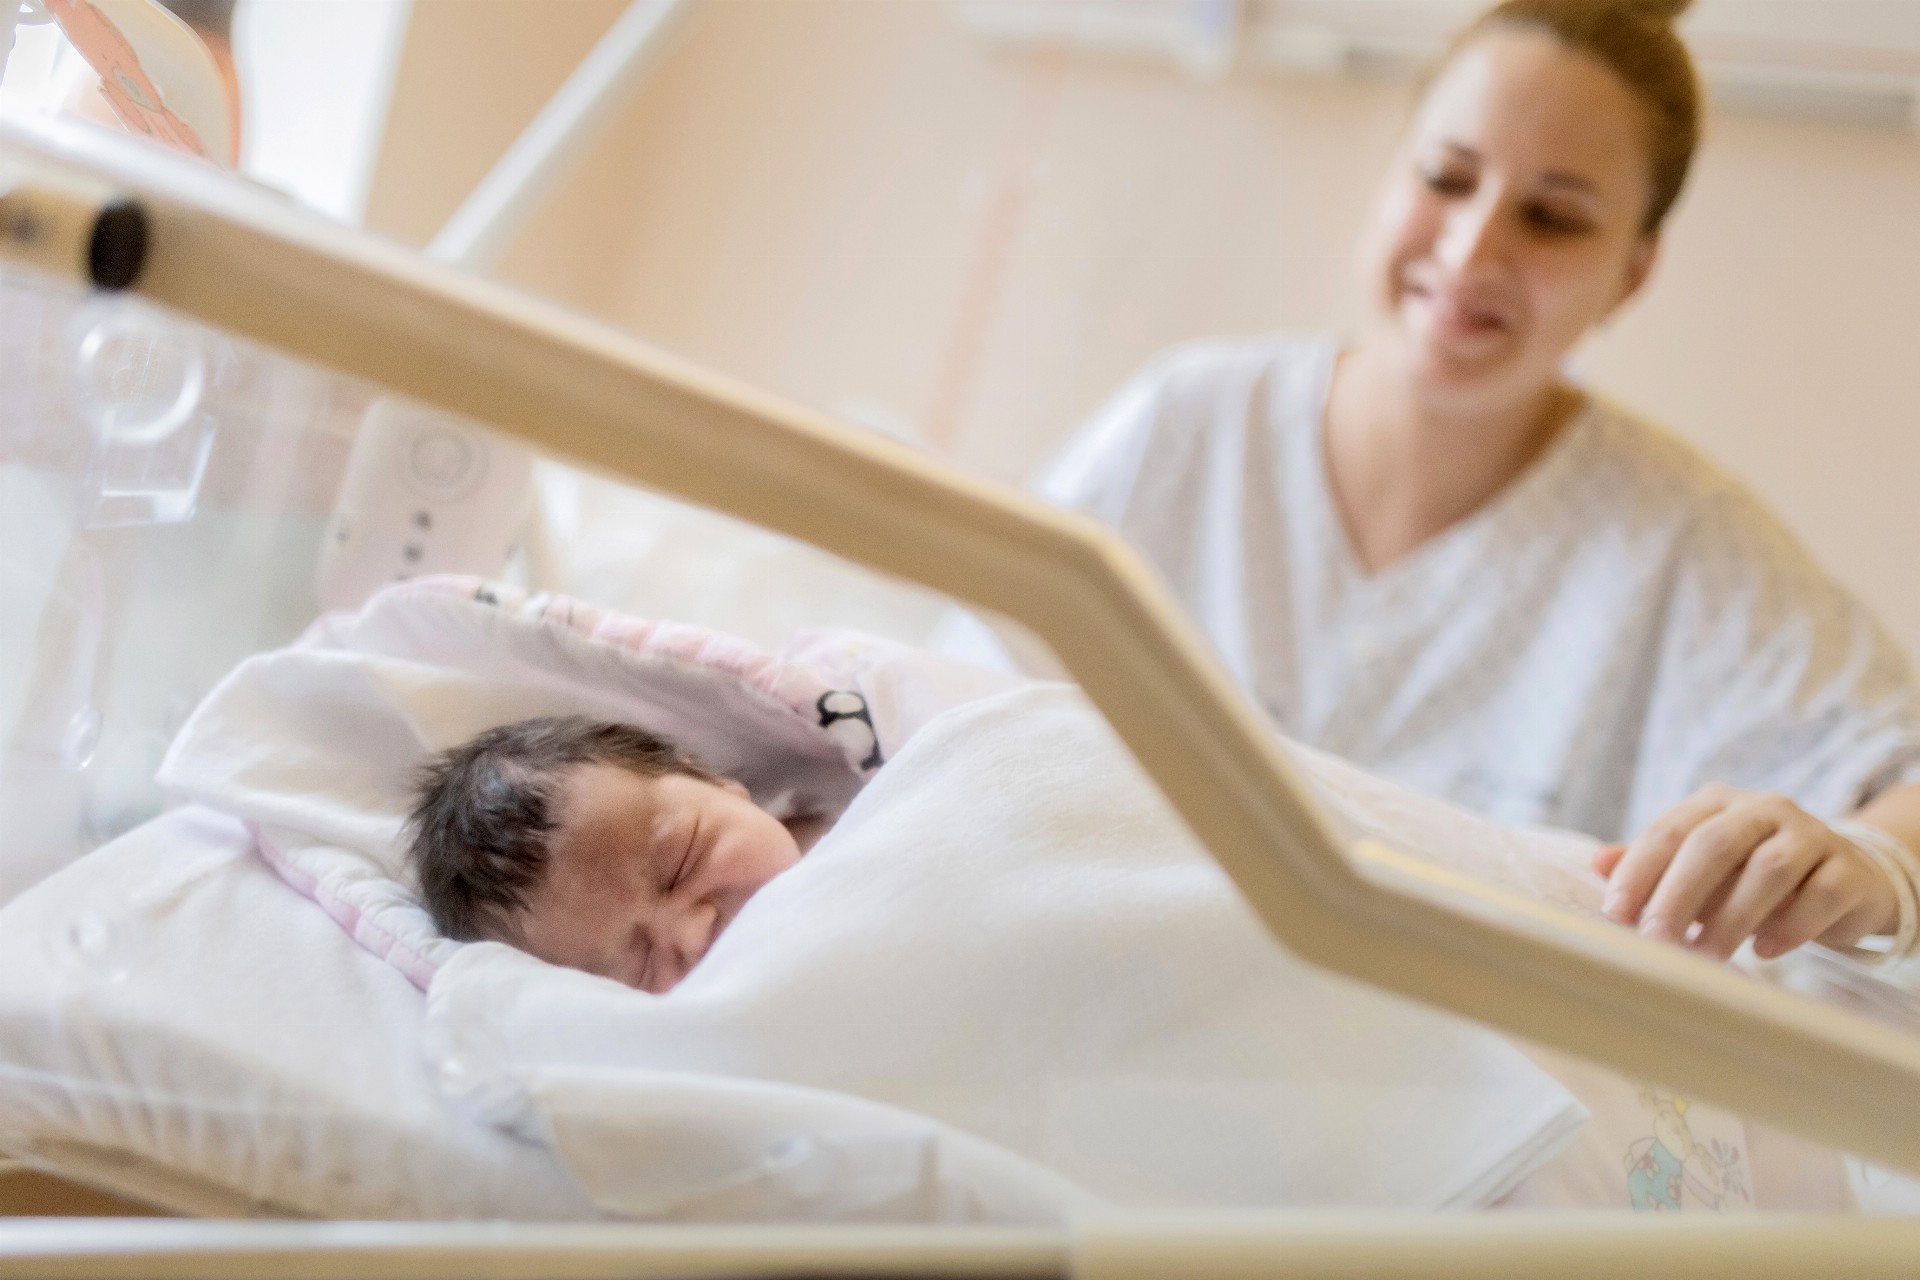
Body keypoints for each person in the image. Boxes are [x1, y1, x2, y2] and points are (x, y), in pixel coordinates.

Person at [962, 0, 1920, 965]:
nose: (1470, 251)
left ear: (1631, 276)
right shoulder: (1189, 427)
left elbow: (1901, 780)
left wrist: (1875, 864)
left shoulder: (1681, 548)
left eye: (1552, 218)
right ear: (1388, 180)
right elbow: (953, 706)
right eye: (1446, 178)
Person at [406, 716, 825, 994]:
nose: (693, 935)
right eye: (639, 965)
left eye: (683, 863)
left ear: (713, 781)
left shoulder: (849, 806)